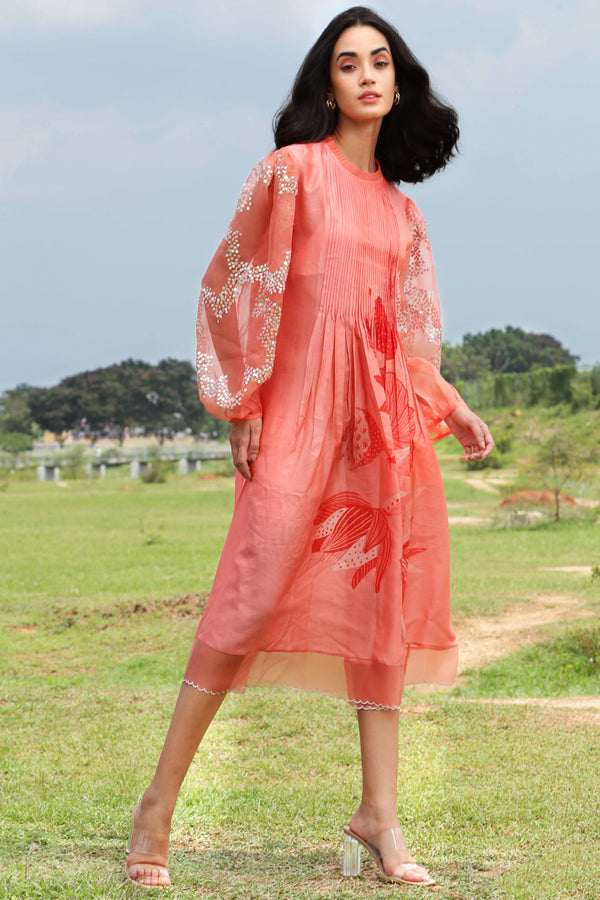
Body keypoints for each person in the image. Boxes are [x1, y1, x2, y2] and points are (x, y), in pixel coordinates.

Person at [125, 6, 494, 889]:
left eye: (380, 62)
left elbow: (403, 342)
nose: (366, 76)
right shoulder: (292, 173)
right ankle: (157, 807)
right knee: (244, 599)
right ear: (326, 85)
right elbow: (232, 283)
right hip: (294, 419)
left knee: (378, 618)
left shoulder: (404, 216)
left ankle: (381, 818)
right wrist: (242, 400)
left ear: (399, 83)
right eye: (348, 63)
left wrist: (451, 404)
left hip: (377, 435)